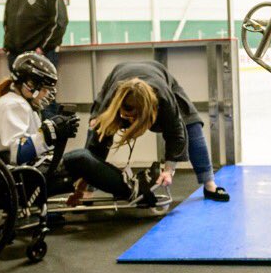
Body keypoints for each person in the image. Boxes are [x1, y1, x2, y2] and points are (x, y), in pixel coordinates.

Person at [63, 60, 230, 206]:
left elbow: (177, 135)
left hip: (158, 75)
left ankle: (210, 184)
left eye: (133, 117)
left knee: (191, 124)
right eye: (126, 116)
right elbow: (95, 146)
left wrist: (168, 171)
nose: (129, 122)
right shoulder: (113, 99)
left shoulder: (164, 99)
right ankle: (87, 190)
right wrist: (81, 187)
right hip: (119, 75)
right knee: (98, 129)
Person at [0, 53, 79, 171]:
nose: (46, 94)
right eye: (43, 89)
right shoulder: (13, 104)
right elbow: (16, 154)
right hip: (14, 177)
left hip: (24, 171)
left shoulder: (23, 103)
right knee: (81, 160)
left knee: (79, 160)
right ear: (29, 85)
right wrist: (48, 134)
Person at [3, 0, 68, 117]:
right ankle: (26, 140)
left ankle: (50, 141)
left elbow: (59, 21)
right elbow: (7, 20)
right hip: (16, 57)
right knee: (19, 102)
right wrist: (8, 46)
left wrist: (42, 49)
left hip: (40, 57)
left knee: (44, 101)